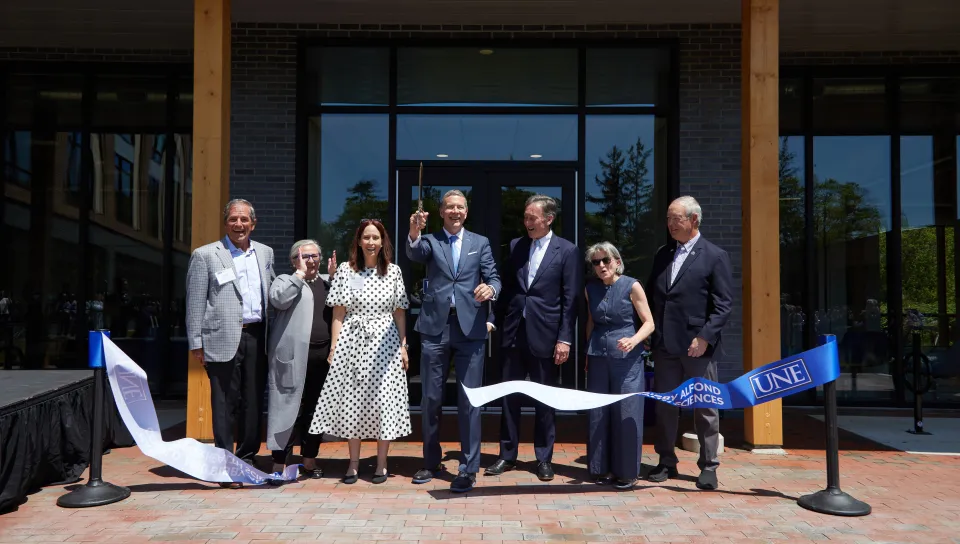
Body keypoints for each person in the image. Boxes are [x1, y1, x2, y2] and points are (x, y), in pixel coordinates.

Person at [406, 190, 500, 493]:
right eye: (450, 207)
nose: (455, 212)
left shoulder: (480, 243)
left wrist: (491, 291)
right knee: (431, 399)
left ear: (466, 212)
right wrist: (414, 230)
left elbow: (494, 277)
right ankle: (430, 461)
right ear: (442, 211)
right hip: (436, 328)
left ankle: (468, 468)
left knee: (469, 401)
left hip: (470, 329)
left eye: (460, 207)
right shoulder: (431, 241)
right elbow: (413, 253)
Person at [485, 194, 581, 481]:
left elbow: (571, 298)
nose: (526, 222)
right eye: (525, 217)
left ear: (548, 219)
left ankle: (543, 458)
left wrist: (564, 339)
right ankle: (507, 455)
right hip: (514, 332)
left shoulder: (567, 250)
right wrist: (493, 319)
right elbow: (510, 288)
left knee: (544, 400)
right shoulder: (516, 246)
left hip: (547, 336)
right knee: (509, 397)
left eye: (532, 217)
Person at [309, 219, 411, 485]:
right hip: (353, 342)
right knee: (353, 401)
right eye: (366, 237)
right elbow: (338, 313)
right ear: (358, 240)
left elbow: (399, 313)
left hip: (386, 344)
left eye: (375, 237)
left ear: (382, 241)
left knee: (384, 401)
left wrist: (403, 346)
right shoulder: (345, 270)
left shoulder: (394, 271)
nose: (371, 242)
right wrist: (334, 346)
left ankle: (381, 463)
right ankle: (353, 463)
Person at [186, 198, 276, 489]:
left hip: (257, 336)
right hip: (221, 337)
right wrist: (196, 342)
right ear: (225, 223)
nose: (239, 225)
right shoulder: (205, 255)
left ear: (253, 223)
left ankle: (247, 457)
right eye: (233, 220)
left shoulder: (265, 253)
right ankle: (225, 462)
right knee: (224, 402)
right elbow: (195, 301)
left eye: (244, 220)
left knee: (253, 401)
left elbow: (272, 291)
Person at [646, 195, 733, 491]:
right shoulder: (662, 254)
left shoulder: (714, 255)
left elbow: (723, 305)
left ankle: (708, 466)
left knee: (705, 406)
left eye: (676, 219)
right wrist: (649, 335)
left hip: (698, 347)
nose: (670, 224)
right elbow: (653, 298)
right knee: (666, 406)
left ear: (694, 220)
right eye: (669, 219)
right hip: (665, 345)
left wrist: (704, 337)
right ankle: (666, 461)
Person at [583, 242, 655, 489]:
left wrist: (634, 340)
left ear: (616, 261)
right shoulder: (590, 288)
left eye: (606, 260)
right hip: (597, 355)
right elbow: (591, 321)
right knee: (598, 411)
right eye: (596, 262)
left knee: (626, 410)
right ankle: (599, 469)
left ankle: (627, 472)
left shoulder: (632, 285)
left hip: (627, 358)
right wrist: (586, 352)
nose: (601, 266)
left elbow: (649, 323)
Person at [264, 240, 337, 482]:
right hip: (291, 358)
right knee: (286, 409)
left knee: (314, 411)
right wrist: (299, 275)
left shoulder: (327, 282)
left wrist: (335, 277)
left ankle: (309, 459)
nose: (311, 260)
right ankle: (279, 461)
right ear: (295, 259)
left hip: (321, 356)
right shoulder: (286, 280)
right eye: (305, 256)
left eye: (315, 255)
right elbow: (279, 300)